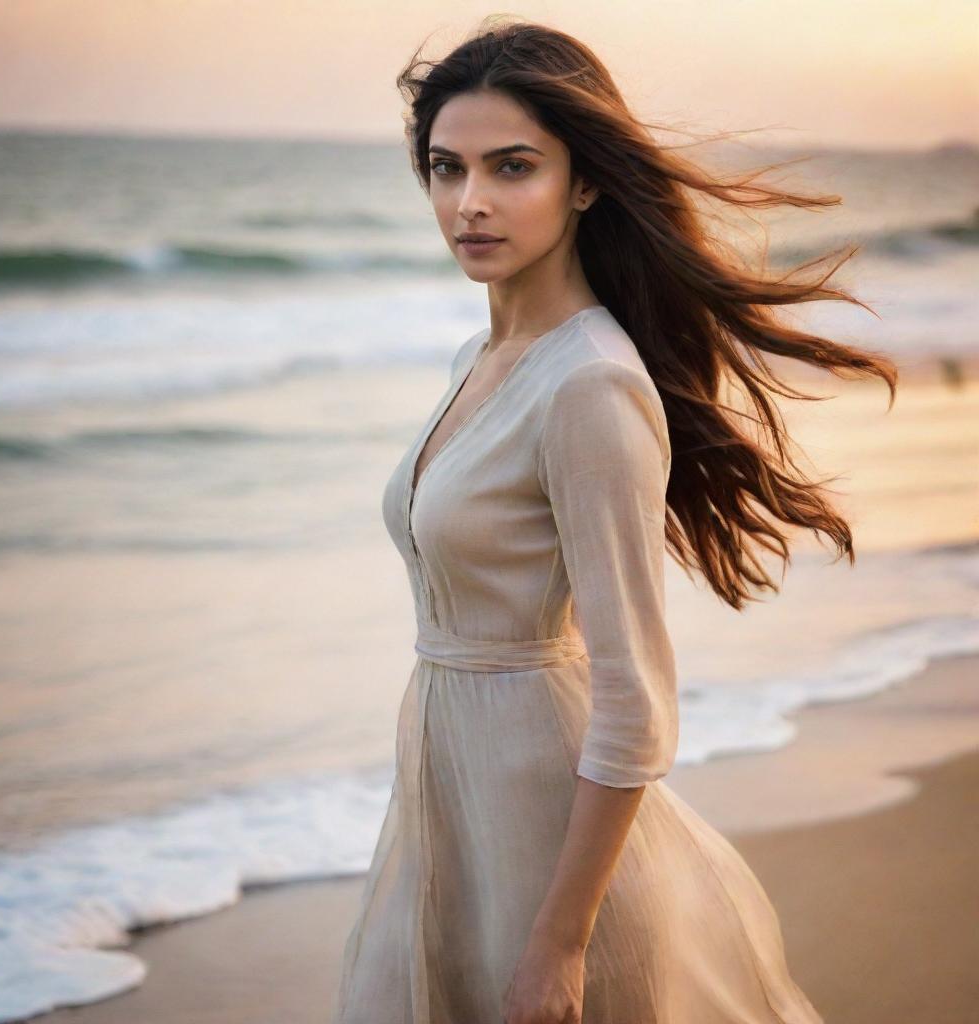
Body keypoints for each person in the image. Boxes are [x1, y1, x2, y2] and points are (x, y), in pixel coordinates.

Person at [332, 16, 897, 1024]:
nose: (469, 203)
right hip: (454, 800)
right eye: (444, 168)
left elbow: (635, 702)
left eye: (512, 167)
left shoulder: (588, 383)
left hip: (552, 839)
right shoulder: (479, 357)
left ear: (581, 181)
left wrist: (560, 942)